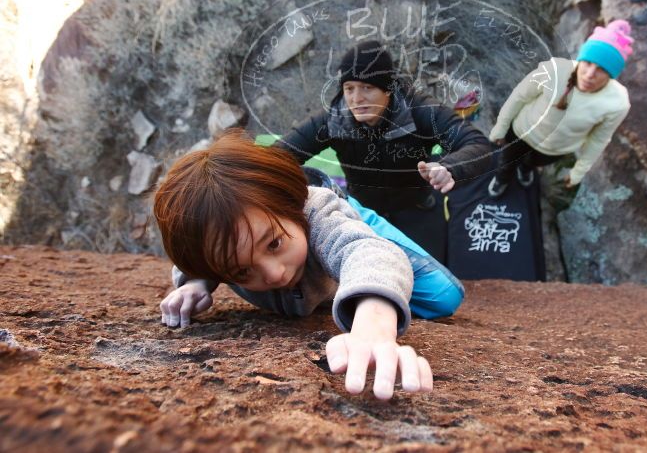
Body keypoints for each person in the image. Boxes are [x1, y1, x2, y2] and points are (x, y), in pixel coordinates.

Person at [153, 131, 464, 400]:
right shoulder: (216, 253)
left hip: (342, 223)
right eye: (241, 271)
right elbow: (196, 259)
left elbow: (365, 252)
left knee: (443, 296)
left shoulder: (316, 216)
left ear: (293, 210)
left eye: (273, 243)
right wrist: (195, 283)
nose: (275, 273)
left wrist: (373, 325)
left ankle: (358, 216)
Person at [274, 40, 492, 261]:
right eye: (349, 88)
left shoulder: (420, 110)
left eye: (367, 88)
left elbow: (478, 144)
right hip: (363, 217)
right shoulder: (332, 120)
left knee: (433, 291)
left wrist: (449, 167)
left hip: (418, 214)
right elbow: (276, 157)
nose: (356, 99)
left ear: (388, 89)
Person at [487, 20, 634, 197]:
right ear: (581, 59)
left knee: (531, 163)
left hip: (554, 150)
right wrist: (501, 126)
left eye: (601, 69)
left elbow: (598, 139)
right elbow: (520, 96)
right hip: (521, 132)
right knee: (507, 160)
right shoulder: (554, 70)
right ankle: (502, 179)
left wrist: (578, 171)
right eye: (588, 63)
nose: (589, 75)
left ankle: (525, 170)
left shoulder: (617, 103)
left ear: (611, 75)